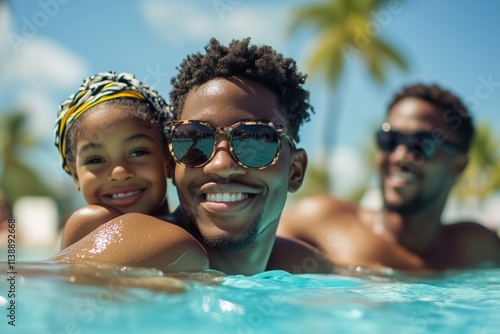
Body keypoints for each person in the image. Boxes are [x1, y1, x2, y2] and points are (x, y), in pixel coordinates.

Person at [53, 38, 332, 275]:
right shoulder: (169, 248)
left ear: (295, 171)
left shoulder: (301, 264)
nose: (222, 165)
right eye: (195, 139)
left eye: (255, 139)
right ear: (173, 163)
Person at [278, 83, 500, 271]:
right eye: (389, 140)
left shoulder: (476, 248)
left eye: (422, 144)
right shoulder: (318, 221)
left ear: (458, 166)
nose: (399, 156)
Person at [53, 71, 209, 272]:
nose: (119, 171)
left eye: (137, 152)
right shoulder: (90, 223)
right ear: (75, 175)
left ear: (168, 159)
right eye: (95, 160)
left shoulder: (199, 232)